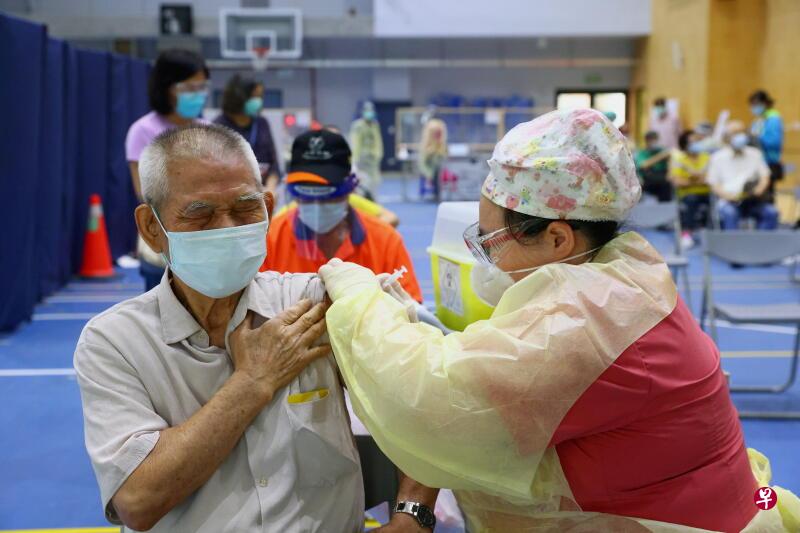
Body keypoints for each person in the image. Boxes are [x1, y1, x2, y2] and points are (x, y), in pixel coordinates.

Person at [317, 109, 798, 531]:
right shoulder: (622, 268)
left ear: (557, 240)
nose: (485, 259)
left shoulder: (589, 316)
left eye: (490, 242)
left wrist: (356, 293)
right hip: (713, 501)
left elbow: (432, 399)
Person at [75, 124, 367, 532]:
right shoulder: (115, 342)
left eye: (246, 208)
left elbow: (424, 392)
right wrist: (252, 382)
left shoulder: (315, 303)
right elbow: (138, 502)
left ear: (267, 206)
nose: (227, 227)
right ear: (152, 229)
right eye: (200, 214)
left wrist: (414, 512)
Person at [261, 129, 422, 303]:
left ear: (350, 188)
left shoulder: (386, 243)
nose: (316, 203)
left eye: (327, 195)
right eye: (306, 195)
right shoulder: (270, 240)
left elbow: (412, 317)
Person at [125, 49, 209, 292]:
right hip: (164, 242)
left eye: (202, 87)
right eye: (189, 88)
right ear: (167, 87)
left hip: (206, 243)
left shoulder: (209, 130)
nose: (198, 95)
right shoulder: (142, 130)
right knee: (162, 316)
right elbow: (144, 193)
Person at [214, 75, 280, 195]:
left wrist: (271, 188)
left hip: (261, 193)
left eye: (260, 96)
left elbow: (273, 164)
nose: (258, 101)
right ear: (239, 97)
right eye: (254, 96)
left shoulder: (262, 123)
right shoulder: (218, 126)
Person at [707, 122, 778, 230]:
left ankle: (763, 245)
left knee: (771, 212)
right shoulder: (717, 157)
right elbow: (714, 184)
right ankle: (733, 246)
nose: (739, 136)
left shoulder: (755, 154)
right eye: (735, 133)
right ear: (727, 137)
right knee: (730, 213)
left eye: (742, 132)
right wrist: (728, 196)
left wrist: (759, 189)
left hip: (753, 200)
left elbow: (765, 176)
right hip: (729, 201)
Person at [669, 129, 711, 249]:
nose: (696, 144)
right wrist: (699, 180)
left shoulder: (706, 157)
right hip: (686, 195)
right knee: (691, 201)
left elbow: (711, 179)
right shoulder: (679, 159)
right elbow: (678, 181)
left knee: (717, 204)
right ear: (685, 144)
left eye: (697, 141)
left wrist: (691, 179)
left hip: (707, 193)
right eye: (692, 142)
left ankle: (714, 235)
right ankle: (686, 234)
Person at [749, 89, 784, 195]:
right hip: (756, 160)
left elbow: (774, 142)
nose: (754, 107)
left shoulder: (773, 119)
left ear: (765, 103)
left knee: (767, 195)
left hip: (769, 161)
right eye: (752, 105)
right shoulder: (758, 120)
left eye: (756, 104)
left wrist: (756, 138)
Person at [349, 101, 384, 199]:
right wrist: (354, 161)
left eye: (371, 110)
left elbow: (378, 141)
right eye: (367, 110)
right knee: (363, 186)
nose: (369, 112)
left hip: (373, 161)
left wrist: (378, 155)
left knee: (374, 184)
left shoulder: (375, 125)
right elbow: (355, 143)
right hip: (362, 161)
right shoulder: (358, 125)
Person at [635, 130, 672, 202]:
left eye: (655, 139)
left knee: (666, 184)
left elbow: (671, 162)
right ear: (646, 141)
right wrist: (661, 156)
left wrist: (670, 173)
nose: (654, 142)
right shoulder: (643, 153)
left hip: (663, 179)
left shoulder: (663, 151)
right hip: (648, 180)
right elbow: (643, 165)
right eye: (651, 140)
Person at [418, 118, 448, 200]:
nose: (438, 135)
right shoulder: (426, 148)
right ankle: (436, 193)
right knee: (436, 173)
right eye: (436, 133)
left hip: (442, 170)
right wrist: (429, 174)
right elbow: (422, 165)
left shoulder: (442, 145)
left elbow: (445, 160)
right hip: (430, 171)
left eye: (439, 133)